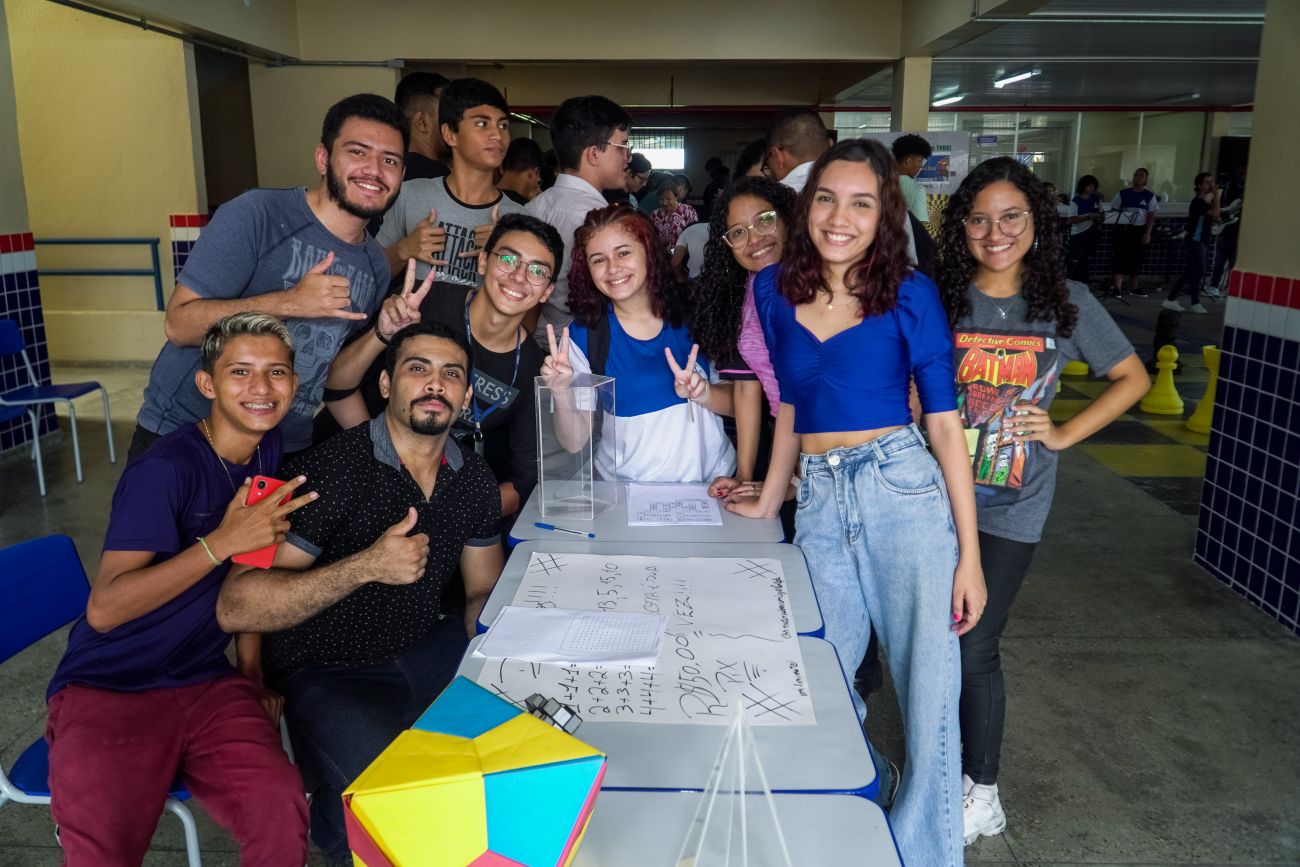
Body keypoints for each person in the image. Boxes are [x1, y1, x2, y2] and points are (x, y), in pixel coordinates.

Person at [728, 139, 986, 866]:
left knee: (929, 693)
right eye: (827, 199)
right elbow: (790, 405)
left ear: (885, 214)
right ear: (806, 206)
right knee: (816, 676)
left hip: (900, 489)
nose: (840, 217)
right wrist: (770, 499)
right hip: (818, 499)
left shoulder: (910, 293)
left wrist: (969, 556)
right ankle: (846, 814)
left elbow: (943, 425)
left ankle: (925, 854)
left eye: (861, 203)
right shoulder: (771, 289)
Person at [217, 320, 506, 863]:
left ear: (466, 396)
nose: (435, 384)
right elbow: (237, 605)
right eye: (418, 369)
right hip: (324, 669)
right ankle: (336, 823)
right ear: (386, 384)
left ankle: (345, 803)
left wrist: (505, 656)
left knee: (520, 750)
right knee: (404, 802)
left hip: (424, 650)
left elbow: (481, 590)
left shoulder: (473, 479)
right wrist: (366, 566)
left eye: (451, 374)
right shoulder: (329, 470)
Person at [47, 313, 314, 866]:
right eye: (240, 371)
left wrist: (250, 673)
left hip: (202, 678)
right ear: (206, 384)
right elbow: (104, 609)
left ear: (294, 382)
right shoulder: (163, 470)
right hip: (111, 681)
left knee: (280, 811)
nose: (261, 388)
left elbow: (251, 566)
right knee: (101, 850)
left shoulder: (266, 446)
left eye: (276, 372)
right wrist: (219, 543)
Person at [935, 156, 1149, 846]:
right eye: (979, 219)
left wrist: (1060, 433)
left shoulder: (1066, 300)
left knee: (975, 642)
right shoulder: (940, 296)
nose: (994, 233)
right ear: (961, 227)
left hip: (1013, 504)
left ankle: (983, 791)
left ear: (1036, 222)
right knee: (934, 639)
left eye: (1011, 217)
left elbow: (1132, 378)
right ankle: (947, 769)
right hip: (936, 498)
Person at [133, 93, 404, 459]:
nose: (374, 170)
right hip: (188, 436)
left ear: (401, 175)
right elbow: (179, 325)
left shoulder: (374, 265)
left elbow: (332, 380)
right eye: (357, 152)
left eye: (390, 160)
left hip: (282, 448)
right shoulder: (258, 214)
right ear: (323, 158)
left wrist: (384, 453)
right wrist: (290, 302)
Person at [325, 213, 563, 518]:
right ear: (483, 262)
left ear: (547, 291)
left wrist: (445, 516)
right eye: (507, 259)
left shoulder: (533, 368)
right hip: (355, 463)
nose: (518, 276)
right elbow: (336, 386)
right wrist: (382, 335)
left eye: (537, 271)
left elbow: (526, 481)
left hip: (437, 494)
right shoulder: (423, 302)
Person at [541, 204, 735, 483]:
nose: (613, 268)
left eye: (623, 253)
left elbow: (739, 404)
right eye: (598, 260)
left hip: (712, 485)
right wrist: (561, 394)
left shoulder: (697, 311)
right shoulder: (584, 336)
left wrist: (703, 392)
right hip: (626, 493)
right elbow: (574, 443)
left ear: (649, 251)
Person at [692, 177, 797, 531]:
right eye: (738, 232)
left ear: (787, 218)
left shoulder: (809, 283)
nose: (754, 239)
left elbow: (807, 396)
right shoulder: (750, 289)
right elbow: (748, 387)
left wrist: (790, 483)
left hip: (830, 449)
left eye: (764, 220)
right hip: (794, 451)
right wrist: (744, 476)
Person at [377, 78, 523, 290]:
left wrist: (506, 253)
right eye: (482, 124)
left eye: (503, 125)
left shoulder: (520, 218)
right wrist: (404, 249)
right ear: (450, 134)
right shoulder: (411, 194)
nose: (497, 135)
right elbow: (369, 275)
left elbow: (529, 300)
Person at [524, 95, 633, 344]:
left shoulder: (532, 208)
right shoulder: (599, 220)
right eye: (623, 146)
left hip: (533, 343)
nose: (628, 157)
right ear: (594, 154)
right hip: (580, 349)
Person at [1163, 172, 1220, 314]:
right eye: (1207, 182)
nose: (1211, 185)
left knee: (1194, 271)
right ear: (1199, 185)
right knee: (1196, 271)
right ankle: (1175, 299)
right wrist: (1217, 196)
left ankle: (1192, 302)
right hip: (1195, 241)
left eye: (1212, 182)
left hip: (1201, 240)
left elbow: (1215, 215)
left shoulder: (1206, 201)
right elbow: (1215, 213)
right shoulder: (1199, 202)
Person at [1109, 167, 1158, 297]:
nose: (1139, 177)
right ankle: (1117, 288)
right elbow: (1113, 211)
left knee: (1137, 259)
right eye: (1137, 174)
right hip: (1123, 230)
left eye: (1142, 175)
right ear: (1133, 177)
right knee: (1119, 258)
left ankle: (1135, 288)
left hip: (1140, 230)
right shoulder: (1123, 193)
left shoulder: (1149, 196)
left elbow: (1151, 216)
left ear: (1146, 179)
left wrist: (1147, 233)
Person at [394, 71, 451, 181]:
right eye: (447, 114)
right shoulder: (434, 175)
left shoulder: (394, 168)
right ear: (422, 122)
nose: (454, 122)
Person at [765, 108, 830, 193]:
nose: (769, 173)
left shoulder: (773, 196)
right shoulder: (843, 182)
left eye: (768, 165)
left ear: (778, 156)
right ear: (830, 144)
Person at [1066, 174, 1104, 284]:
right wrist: (1088, 216)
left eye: (1093, 186)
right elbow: (1071, 220)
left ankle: (1084, 281)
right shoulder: (1076, 201)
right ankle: (1073, 281)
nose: (1091, 188)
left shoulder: (1096, 199)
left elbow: (1102, 214)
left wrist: (1100, 217)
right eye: (1089, 186)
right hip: (1078, 234)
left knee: (1087, 259)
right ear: (1083, 186)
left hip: (1092, 232)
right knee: (1075, 259)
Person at [892, 133, 933, 225]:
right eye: (920, 161)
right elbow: (920, 227)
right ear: (908, 162)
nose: (921, 165)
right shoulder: (917, 190)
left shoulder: (879, 183)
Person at [652, 174, 699, 250]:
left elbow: (695, 234)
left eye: (668, 199)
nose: (665, 203)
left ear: (676, 197)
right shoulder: (655, 215)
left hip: (684, 253)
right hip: (662, 254)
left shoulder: (689, 211)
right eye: (661, 199)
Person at [497, 137, 545, 205]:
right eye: (538, 182)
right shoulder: (526, 208)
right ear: (534, 171)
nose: (538, 179)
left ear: (501, 168)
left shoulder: (483, 196)